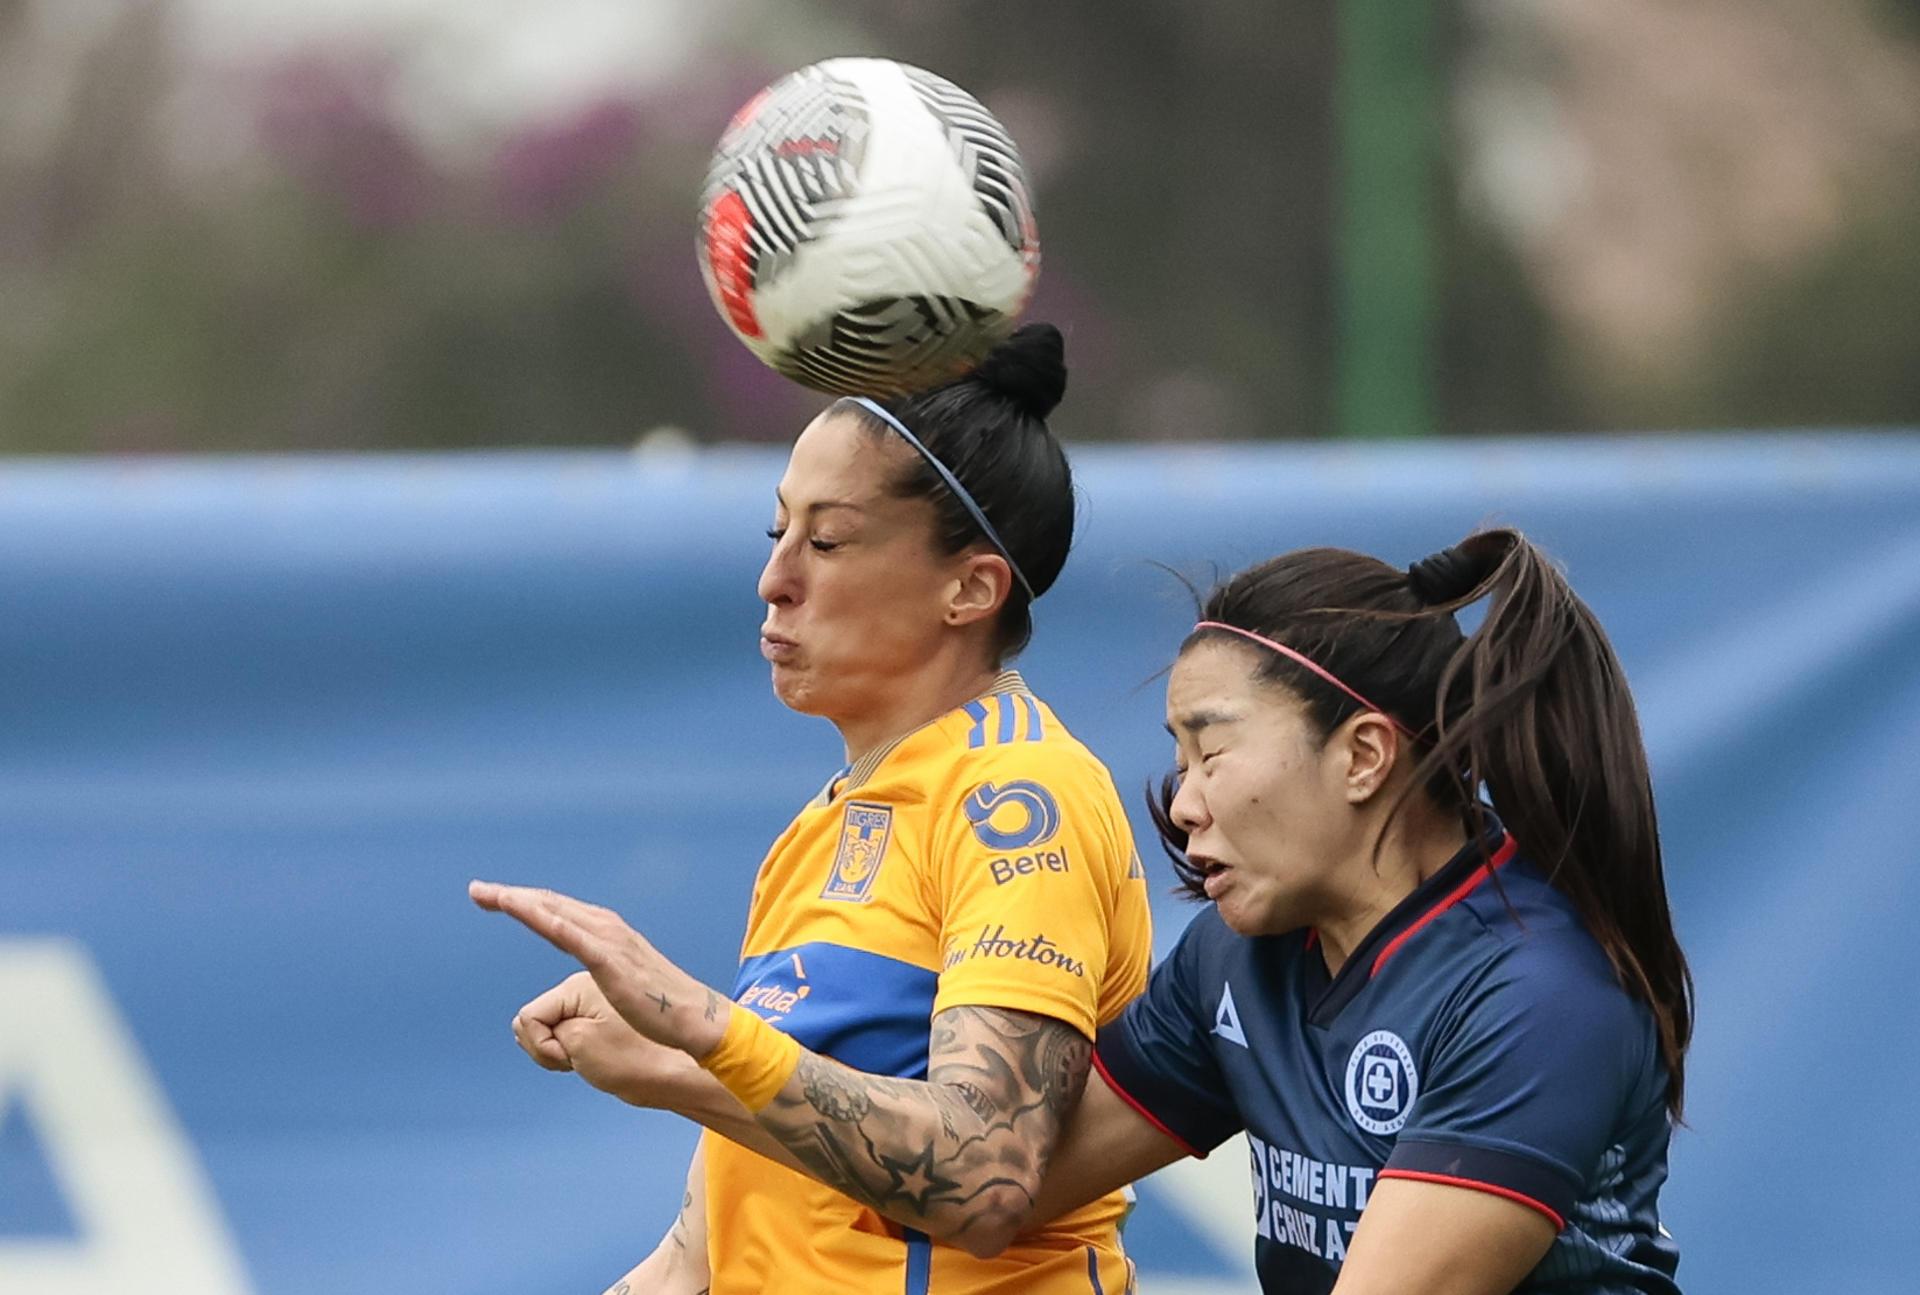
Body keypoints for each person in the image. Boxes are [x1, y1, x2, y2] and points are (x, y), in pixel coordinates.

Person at [471, 323, 1153, 1295]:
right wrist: (681, 1058)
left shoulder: (1018, 797)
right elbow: (693, 1260)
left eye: (826, 539)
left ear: (970, 586)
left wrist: (693, 1028)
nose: (775, 578)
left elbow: (984, 1172)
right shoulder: (821, 828)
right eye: (776, 531)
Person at [1016, 530, 1695, 1293]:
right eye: (1180, 762)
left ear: (1365, 756)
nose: (1183, 803)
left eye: (1212, 754)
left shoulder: (1539, 993)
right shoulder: (1235, 957)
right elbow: (999, 1188)